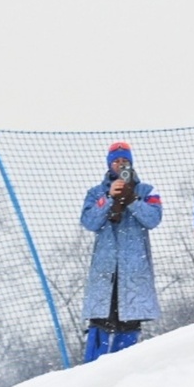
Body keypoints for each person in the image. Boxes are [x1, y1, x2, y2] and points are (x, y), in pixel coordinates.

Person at [80, 141, 162, 363]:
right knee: (100, 322)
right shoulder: (95, 193)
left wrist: (132, 200)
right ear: (109, 164)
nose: (120, 164)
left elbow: (153, 219)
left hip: (134, 271)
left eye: (125, 160)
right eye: (116, 161)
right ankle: (91, 371)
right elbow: (89, 222)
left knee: (129, 324)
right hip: (105, 272)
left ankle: (123, 371)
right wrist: (109, 199)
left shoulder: (146, 191)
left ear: (131, 163)